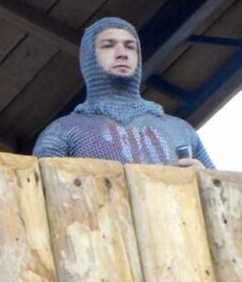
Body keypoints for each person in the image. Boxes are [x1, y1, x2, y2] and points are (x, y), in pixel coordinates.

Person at [33, 16, 213, 168]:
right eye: (108, 45)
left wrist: (204, 177)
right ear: (90, 57)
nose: (122, 53)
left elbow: (222, 194)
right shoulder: (63, 131)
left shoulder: (180, 130)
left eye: (130, 46)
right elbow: (38, 191)